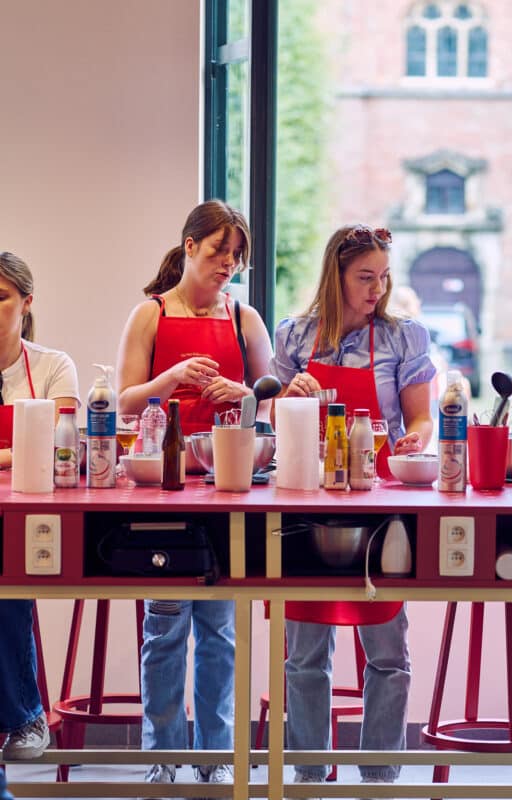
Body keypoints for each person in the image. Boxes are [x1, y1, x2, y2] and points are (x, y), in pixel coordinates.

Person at [116, 200, 274, 793]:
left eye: (236, 256)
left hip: (225, 485)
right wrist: (169, 380)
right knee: (164, 630)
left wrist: (242, 392)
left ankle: (216, 754)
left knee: (220, 632)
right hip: (165, 487)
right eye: (217, 252)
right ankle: (162, 753)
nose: (227, 264)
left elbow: (271, 398)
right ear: (189, 247)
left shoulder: (245, 318)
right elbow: (123, 401)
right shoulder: (150, 315)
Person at [270, 224, 435, 786]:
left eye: (383, 277)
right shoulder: (294, 336)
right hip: (308, 506)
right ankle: (308, 776)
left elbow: (420, 417)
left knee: (387, 652)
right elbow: (273, 422)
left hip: (379, 505)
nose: (377, 290)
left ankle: (379, 779)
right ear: (335, 275)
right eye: (365, 277)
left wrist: (413, 439)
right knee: (304, 655)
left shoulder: (403, 337)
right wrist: (288, 398)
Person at [0, 252, 81, 760]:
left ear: (26, 303)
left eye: (0, 297)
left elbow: (62, 444)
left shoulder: (53, 366)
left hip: (28, 518)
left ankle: (25, 717)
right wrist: (16, 452)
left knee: (5, 581)